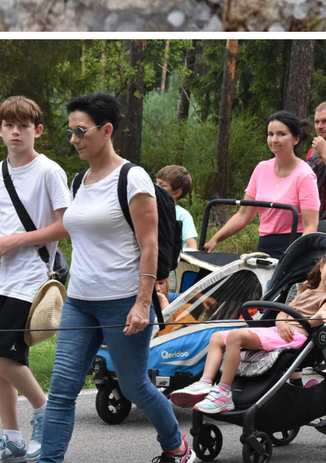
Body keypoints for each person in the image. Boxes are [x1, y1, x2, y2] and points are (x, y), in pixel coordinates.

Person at [40, 92, 193, 463]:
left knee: (135, 385)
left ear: (106, 130)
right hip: (79, 300)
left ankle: (175, 445)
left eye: (81, 131)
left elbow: (150, 245)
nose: (74, 139)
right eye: (70, 132)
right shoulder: (79, 181)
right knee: (61, 389)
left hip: (123, 302)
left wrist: (143, 302)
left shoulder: (133, 178)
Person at [171, 245, 326, 413]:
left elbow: (316, 320)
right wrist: (281, 322)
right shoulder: (305, 290)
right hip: (280, 331)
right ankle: (204, 383)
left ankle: (223, 393)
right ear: (322, 266)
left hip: (295, 336)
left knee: (236, 336)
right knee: (217, 337)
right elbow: (284, 312)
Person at [0, 97, 69, 463]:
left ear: (37, 131)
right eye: (9, 124)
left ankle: (45, 413)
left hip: (30, 279)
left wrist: (14, 241)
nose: (15, 131)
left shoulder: (49, 171)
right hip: (0, 277)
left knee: (4, 357)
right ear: (0, 129)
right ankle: (11, 437)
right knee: (0, 361)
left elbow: (66, 225)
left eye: (23, 125)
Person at [205, 111, 320, 258]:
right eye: (270, 134)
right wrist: (215, 238)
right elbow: (243, 214)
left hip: (292, 245)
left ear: (296, 139)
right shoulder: (262, 169)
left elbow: (310, 225)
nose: (274, 140)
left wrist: (296, 255)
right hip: (264, 246)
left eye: (281, 134)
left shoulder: (305, 175)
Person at [155, 165, 198, 250]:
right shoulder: (151, 211)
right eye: (156, 183)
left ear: (176, 193)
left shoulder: (183, 216)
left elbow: (192, 247)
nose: (156, 188)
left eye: (162, 185)